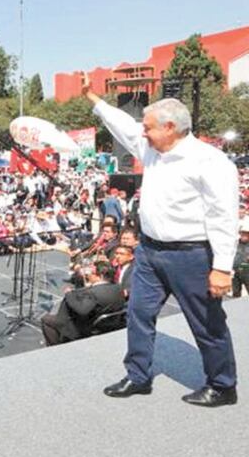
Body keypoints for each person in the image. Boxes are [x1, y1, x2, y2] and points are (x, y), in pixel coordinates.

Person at [83, 77, 240, 406]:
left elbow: (223, 217)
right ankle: (138, 375)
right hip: (151, 252)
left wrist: (222, 268)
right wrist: (92, 97)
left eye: (150, 127)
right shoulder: (151, 148)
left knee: (207, 323)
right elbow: (122, 124)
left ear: (171, 127)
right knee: (139, 312)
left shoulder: (210, 162)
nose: (143, 132)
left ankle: (223, 385)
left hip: (193, 255)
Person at [40, 259, 125, 346]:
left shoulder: (93, 293)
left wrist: (69, 294)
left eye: (91, 274)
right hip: (111, 323)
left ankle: (57, 346)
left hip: (88, 327)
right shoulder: (119, 288)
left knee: (46, 319)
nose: (88, 275)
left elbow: (82, 310)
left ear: (100, 276)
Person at [232, 217, 249, 298]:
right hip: (236, 272)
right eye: (242, 233)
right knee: (235, 294)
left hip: (247, 271)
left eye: (246, 233)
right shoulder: (235, 243)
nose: (244, 235)